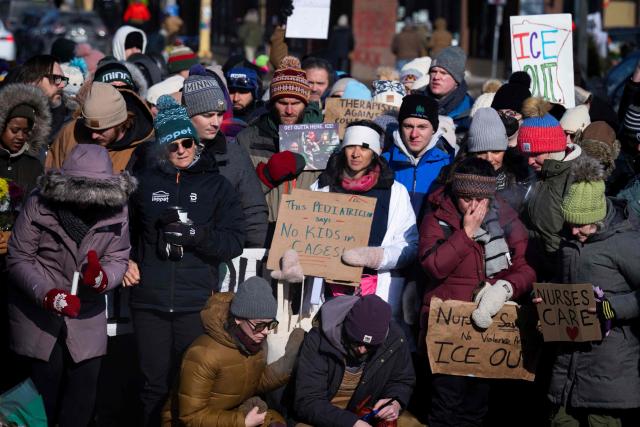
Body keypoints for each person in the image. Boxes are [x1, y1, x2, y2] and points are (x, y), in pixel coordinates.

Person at [127, 95, 245, 426]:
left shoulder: (217, 186)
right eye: (172, 144)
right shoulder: (143, 183)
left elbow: (234, 240)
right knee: (152, 386)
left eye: (187, 142)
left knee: (188, 388)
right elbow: (121, 233)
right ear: (160, 148)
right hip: (149, 302)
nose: (181, 150)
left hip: (195, 304)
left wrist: (197, 236)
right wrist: (124, 260)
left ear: (195, 142)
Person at [6, 144, 135, 427]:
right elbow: (18, 258)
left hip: (86, 315)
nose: (86, 201)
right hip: (38, 314)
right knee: (36, 402)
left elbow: (118, 256)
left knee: (81, 402)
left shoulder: (117, 210)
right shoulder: (39, 203)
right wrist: (47, 294)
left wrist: (103, 278)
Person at [418, 157, 535, 427]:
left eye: (480, 200)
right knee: (446, 408)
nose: (473, 207)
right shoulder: (437, 217)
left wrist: (506, 287)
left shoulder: (505, 216)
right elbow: (433, 266)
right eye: (466, 199)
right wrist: (465, 233)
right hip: (450, 334)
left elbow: (526, 268)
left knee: (476, 408)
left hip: (488, 332)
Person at [544, 156, 640, 426]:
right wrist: (547, 298)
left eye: (581, 224)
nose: (574, 231)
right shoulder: (569, 243)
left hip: (609, 372)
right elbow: (561, 282)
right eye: (570, 223)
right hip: (566, 370)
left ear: (597, 217)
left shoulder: (626, 243)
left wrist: (609, 308)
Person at [308, 121, 418, 324]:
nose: (356, 154)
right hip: (329, 291)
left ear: (375, 152)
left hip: (375, 292)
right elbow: (302, 234)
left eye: (364, 147)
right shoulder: (322, 187)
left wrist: (376, 257)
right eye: (350, 146)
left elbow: (409, 246)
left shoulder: (394, 192)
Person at [163, 277, 305, 426]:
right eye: (259, 325)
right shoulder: (203, 354)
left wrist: (288, 363)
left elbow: (250, 383)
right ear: (238, 319)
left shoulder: (256, 341)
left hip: (230, 414)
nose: (265, 332)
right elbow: (191, 417)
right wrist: (242, 422)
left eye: (271, 324)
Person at [290, 294, 415, 427]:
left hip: (365, 417)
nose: (362, 350)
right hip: (320, 419)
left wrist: (395, 402)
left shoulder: (395, 340)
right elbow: (308, 401)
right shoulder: (318, 339)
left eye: (369, 346)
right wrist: (352, 423)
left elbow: (402, 380)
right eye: (356, 342)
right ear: (346, 328)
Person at [236, 56, 323, 232]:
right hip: (261, 233)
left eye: (296, 103)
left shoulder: (322, 139)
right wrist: (266, 177)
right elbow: (234, 195)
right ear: (272, 102)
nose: (289, 110)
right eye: (282, 103)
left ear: (305, 103)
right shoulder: (248, 138)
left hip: (306, 232)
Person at [182, 74, 269, 248]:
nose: (216, 122)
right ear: (188, 114)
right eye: (208, 115)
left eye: (220, 114)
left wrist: (250, 252)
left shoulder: (234, 155)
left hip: (221, 254)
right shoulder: (167, 153)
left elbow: (253, 211)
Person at [517, 97, 581, 280]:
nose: (530, 161)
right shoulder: (537, 175)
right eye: (527, 154)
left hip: (561, 273)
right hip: (535, 269)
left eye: (536, 154)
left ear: (553, 148)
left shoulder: (574, 177)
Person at [45, 82, 154, 173]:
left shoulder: (143, 151)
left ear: (120, 123)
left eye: (101, 130)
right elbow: (50, 174)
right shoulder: (71, 133)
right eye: (89, 128)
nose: (94, 135)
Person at [382, 94, 456, 218]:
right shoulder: (383, 163)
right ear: (400, 127)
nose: (414, 134)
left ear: (434, 129)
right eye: (408, 126)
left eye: (422, 127)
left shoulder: (448, 165)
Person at [466, 107, 533, 213]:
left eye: (496, 152)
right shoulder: (454, 178)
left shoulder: (520, 179)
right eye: (481, 152)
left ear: (504, 150)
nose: (489, 158)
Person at [4, 55, 74, 146]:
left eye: (64, 80)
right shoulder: (7, 116)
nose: (61, 85)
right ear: (32, 80)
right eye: (56, 79)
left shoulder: (68, 117)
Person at [0, 84, 51, 194]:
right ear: (2, 126)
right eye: (14, 130)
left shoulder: (34, 166)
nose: (20, 136)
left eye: (26, 131)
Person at [426, 47, 473, 136]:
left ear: (456, 80)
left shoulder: (470, 111)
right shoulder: (416, 101)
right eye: (433, 71)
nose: (436, 77)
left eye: (443, 73)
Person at [490, 71, 532, 148]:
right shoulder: (486, 146)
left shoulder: (528, 153)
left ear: (524, 117)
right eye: (500, 113)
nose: (504, 118)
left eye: (511, 114)